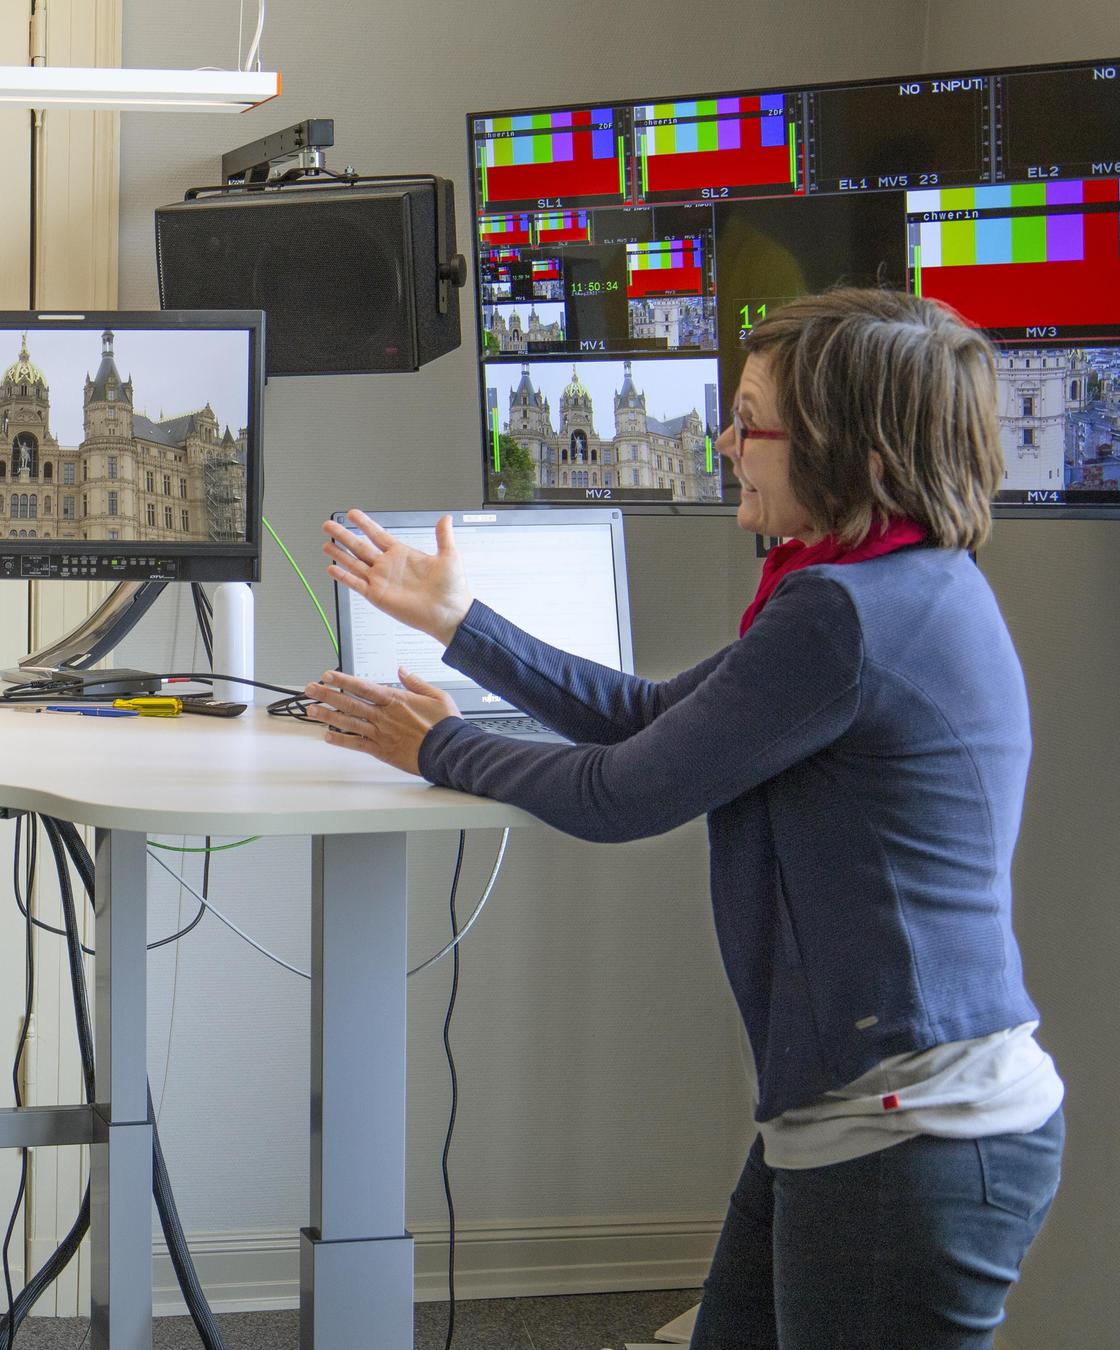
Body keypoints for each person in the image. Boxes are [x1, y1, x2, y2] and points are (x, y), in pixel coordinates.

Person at [303, 287, 1063, 1350]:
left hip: (908, 1131)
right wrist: (458, 624)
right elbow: (657, 717)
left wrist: (438, 746)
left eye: (752, 423)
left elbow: (624, 793)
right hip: (861, 1114)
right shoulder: (879, 586)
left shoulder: (849, 614)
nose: (726, 443)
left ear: (857, 453)